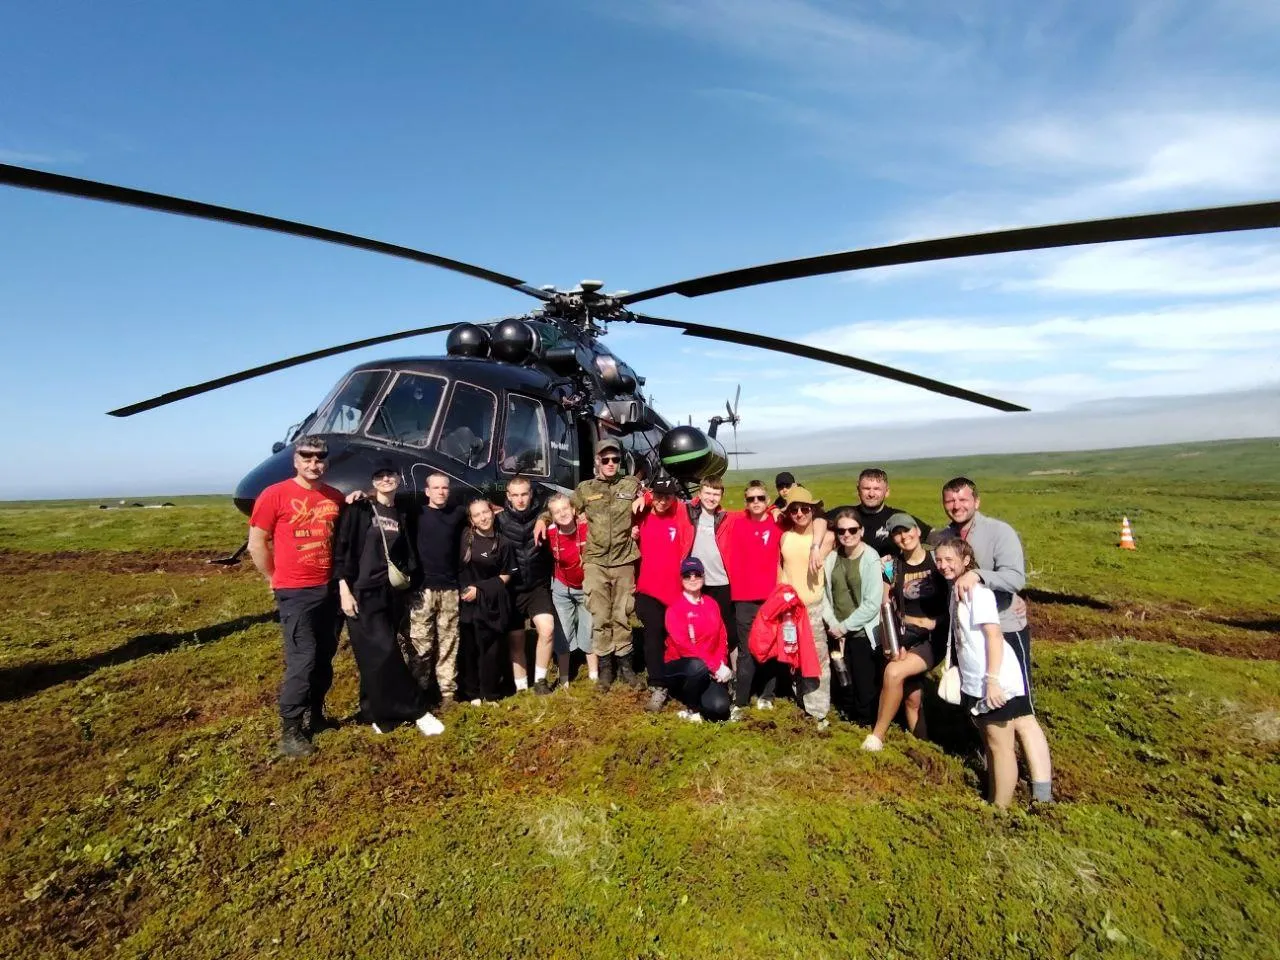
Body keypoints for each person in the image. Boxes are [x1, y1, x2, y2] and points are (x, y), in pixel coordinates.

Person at [934, 538, 1053, 806]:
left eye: (949, 560)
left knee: (1001, 748)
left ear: (966, 561)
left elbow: (994, 637)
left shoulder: (979, 594)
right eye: (939, 560)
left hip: (994, 680)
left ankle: (1000, 809)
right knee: (990, 743)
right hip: (976, 680)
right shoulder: (956, 590)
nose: (943, 566)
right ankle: (993, 798)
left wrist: (992, 682)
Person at [247, 436, 345, 758]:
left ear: (326, 462)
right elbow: (256, 543)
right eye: (307, 457)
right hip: (295, 592)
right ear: (295, 460)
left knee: (325, 656)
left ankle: (315, 715)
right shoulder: (274, 494)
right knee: (303, 659)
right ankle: (290, 730)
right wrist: (273, 578)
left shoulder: (334, 497)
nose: (313, 464)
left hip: (328, 589)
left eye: (319, 458)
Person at [333, 462, 444, 737]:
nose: (385, 480)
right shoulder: (359, 509)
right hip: (361, 592)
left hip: (389, 592)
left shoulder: (400, 512)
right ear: (373, 481)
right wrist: (344, 590)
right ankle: (416, 709)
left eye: (390, 475)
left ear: (398, 479)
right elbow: (342, 550)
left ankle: (373, 711)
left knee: (371, 656)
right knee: (386, 652)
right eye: (379, 476)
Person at [862, 513, 948, 751]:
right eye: (897, 533)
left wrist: (935, 622)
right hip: (905, 634)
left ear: (918, 531)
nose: (904, 536)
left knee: (893, 672)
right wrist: (889, 641)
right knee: (912, 696)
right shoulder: (892, 566)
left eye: (907, 530)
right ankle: (923, 747)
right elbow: (885, 605)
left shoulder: (937, 560)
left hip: (934, 638)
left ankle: (877, 736)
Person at [567, 437, 644, 690]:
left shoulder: (630, 484)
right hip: (595, 562)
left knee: (622, 614)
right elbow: (564, 510)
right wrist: (541, 521)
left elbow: (653, 495)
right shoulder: (585, 489)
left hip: (623, 559)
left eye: (615, 459)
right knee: (600, 615)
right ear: (597, 461)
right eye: (606, 459)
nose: (611, 463)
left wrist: (645, 499)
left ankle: (625, 666)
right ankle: (605, 668)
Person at [399, 473, 469, 709]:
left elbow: (484, 512)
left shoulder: (457, 513)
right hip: (422, 590)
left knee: (450, 642)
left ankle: (448, 694)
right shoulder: (416, 514)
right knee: (421, 644)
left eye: (444, 488)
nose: (440, 492)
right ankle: (419, 694)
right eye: (436, 488)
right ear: (427, 491)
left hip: (450, 589)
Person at [725, 479, 786, 717]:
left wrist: (777, 509)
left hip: (770, 598)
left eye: (761, 498)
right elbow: (708, 506)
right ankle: (741, 700)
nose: (756, 502)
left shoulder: (778, 524)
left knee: (769, 646)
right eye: (751, 499)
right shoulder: (738, 524)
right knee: (746, 650)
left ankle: (767, 695)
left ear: (768, 500)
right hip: (744, 598)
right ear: (746, 502)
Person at [635, 476, 695, 713]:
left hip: (675, 591)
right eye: (658, 496)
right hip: (648, 589)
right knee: (653, 633)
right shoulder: (641, 515)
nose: (662, 501)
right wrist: (643, 498)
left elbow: (698, 502)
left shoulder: (679, 514)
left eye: (667, 497)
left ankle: (680, 679)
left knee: (676, 637)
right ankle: (658, 685)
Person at [777, 485, 836, 727]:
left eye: (805, 509)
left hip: (813, 608)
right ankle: (801, 701)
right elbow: (782, 567)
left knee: (817, 660)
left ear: (813, 510)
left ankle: (818, 712)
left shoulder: (825, 537)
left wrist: (815, 546)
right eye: (794, 510)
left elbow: (823, 523)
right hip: (789, 608)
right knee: (795, 657)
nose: (800, 514)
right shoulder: (785, 537)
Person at [820, 508, 885, 726]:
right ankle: (846, 722)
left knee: (864, 683)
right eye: (841, 531)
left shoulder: (871, 558)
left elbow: (872, 603)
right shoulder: (832, 558)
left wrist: (844, 627)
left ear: (862, 531)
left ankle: (865, 724)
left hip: (862, 633)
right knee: (843, 681)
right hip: (836, 630)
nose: (847, 535)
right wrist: (833, 624)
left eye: (852, 530)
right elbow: (824, 594)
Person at [495, 476, 556, 695]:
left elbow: (566, 507)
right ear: (508, 496)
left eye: (524, 494)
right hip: (512, 588)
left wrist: (544, 519)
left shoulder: (542, 515)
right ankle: (521, 687)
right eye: (515, 495)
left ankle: (540, 681)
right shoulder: (499, 520)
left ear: (531, 494)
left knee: (547, 629)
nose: (520, 499)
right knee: (516, 640)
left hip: (537, 586)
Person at [457, 498, 517, 703]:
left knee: (491, 651)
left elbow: (506, 575)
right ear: (471, 520)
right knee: (469, 649)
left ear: (493, 512)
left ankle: (490, 693)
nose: (483, 518)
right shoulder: (464, 537)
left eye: (485, 512)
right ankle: (472, 693)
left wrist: (480, 590)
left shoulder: (504, 543)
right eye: (477, 515)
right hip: (467, 604)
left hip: (491, 604)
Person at [663, 557, 733, 722]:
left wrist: (721, 662)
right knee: (696, 666)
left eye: (697, 574)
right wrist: (715, 666)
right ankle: (691, 707)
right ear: (681, 579)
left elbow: (721, 635)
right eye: (687, 575)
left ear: (703, 576)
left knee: (720, 707)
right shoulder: (675, 609)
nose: (693, 578)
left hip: (709, 666)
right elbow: (684, 647)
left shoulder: (711, 604)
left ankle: (701, 697)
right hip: (682, 665)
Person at [546, 493, 598, 688]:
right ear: (552, 516)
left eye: (565, 509)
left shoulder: (587, 527)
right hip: (562, 587)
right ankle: (564, 678)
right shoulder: (550, 532)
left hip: (586, 586)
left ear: (574, 510)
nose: (562, 514)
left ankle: (594, 674)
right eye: (557, 512)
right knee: (563, 631)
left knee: (589, 627)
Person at [828, 468, 933, 562]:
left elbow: (931, 535)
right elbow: (819, 520)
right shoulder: (844, 515)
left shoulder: (898, 518)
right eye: (866, 489)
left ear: (887, 492)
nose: (871, 494)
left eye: (877, 489)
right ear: (858, 490)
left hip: (888, 575)